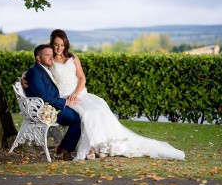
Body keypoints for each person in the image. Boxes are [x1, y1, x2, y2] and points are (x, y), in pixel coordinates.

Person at [25, 29, 185, 161]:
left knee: (101, 109)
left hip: (78, 93)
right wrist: (25, 79)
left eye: (62, 44)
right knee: (86, 115)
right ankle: (86, 149)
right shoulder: (50, 60)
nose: (59, 48)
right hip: (63, 97)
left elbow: (81, 78)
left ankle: (103, 146)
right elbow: (39, 72)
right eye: (56, 45)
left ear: (66, 44)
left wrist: (75, 93)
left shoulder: (72, 58)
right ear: (52, 45)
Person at [25, 44, 82, 161]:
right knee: (77, 119)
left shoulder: (43, 69)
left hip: (52, 106)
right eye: (47, 55)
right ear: (38, 58)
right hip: (44, 109)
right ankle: (66, 150)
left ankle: (63, 148)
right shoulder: (35, 72)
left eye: (52, 55)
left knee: (80, 115)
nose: (51, 58)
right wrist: (65, 102)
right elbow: (43, 96)